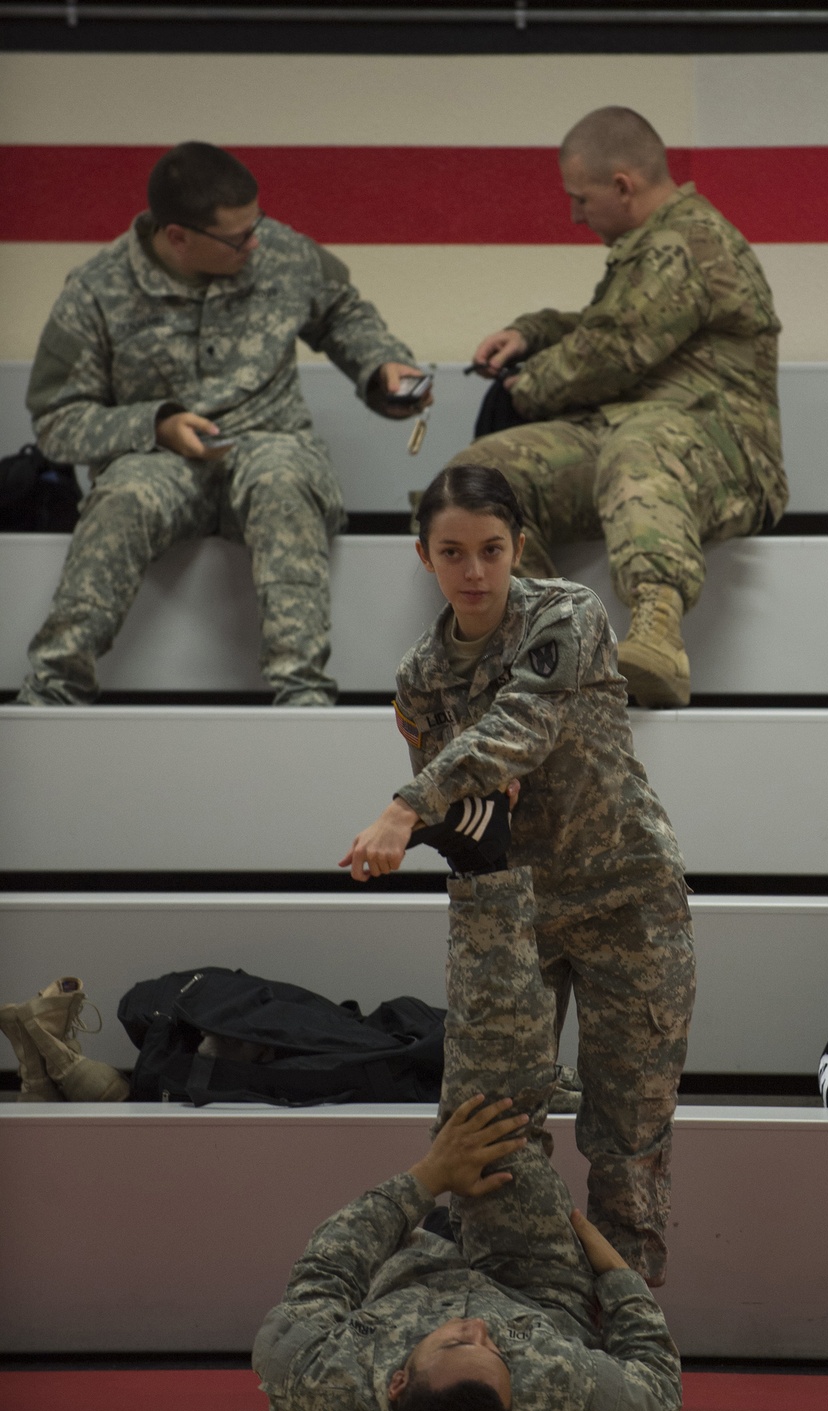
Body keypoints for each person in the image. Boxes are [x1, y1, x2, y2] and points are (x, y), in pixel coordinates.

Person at [340, 463, 696, 1288]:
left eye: (492, 550)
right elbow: (466, 811)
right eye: (453, 552)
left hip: (626, 905)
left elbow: (520, 724)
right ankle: (509, 1317)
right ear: (422, 555)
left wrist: (404, 809)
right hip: (512, 918)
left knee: (627, 1146)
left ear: (518, 548)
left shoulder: (567, 613)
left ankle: (626, 1339)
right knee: (490, 1131)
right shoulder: (421, 677)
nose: (474, 572)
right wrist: (440, 812)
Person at [253, 847, 682, 1411]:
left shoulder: (318, 1384)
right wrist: (614, 1272)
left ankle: (488, 868)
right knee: (512, 1124)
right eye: (497, 1351)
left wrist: (429, 1178)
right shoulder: (548, 1397)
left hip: (417, 1259)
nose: (480, 1329)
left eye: (460, 1341)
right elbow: (658, 1388)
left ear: (398, 1380)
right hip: (532, 1280)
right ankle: (531, 888)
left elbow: (325, 1271)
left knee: (476, 1115)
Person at [17, 140, 426, 707]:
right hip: (160, 459)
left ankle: (302, 694)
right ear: (177, 236)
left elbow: (343, 315)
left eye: (255, 224)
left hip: (270, 440)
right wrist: (155, 426)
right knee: (124, 495)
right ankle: (53, 690)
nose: (254, 241)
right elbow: (58, 418)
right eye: (237, 238)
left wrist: (383, 366)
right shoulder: (95, 290)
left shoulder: (283, 254)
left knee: (283, 478)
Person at [449, 105, 788, 708]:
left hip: (723, 451)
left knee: (641, 445)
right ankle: (543, 645)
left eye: (581, 199)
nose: (575, 215)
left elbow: (611, 351)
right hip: (633, 431)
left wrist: (522, 390)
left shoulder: (684, 243)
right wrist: (533, 332)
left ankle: (657, 636)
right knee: (480, 481)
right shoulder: (656, 245)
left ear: (623, 187)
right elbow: (607, 326)